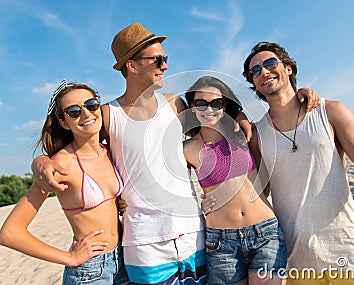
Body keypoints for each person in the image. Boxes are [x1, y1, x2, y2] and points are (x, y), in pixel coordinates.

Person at [30, 23, 318, 284]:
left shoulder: (175, 104)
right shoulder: (108, 113)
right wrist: (41, 161)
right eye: (158, 59)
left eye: (165, 59)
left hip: (196, 234)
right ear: (131, 65)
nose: (165, 66)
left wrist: (242, 115)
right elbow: (82, 145)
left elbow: (213, 116)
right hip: (143, 242)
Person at [240, 42, 354, 284]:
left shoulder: (330, 111)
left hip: (350, 254)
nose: (263, 72)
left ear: (289, 68)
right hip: (297, 264)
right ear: (253, 83)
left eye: (270, 63)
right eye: (255, 70)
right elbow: (257, 194)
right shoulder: (258, 135)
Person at [0, 81, 129, 284]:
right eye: (74, 111)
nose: (86, 114)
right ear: (64, 122)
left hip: (124, 259)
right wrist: (70, 258)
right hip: (90, 271)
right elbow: (9, 233)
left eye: (91, 104)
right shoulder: (61, 165)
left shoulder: (111, 150)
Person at [183, 75, 287, 285]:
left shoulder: (244, 134)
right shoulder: (187, 149)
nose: (209, 109)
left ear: (225, 105)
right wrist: (197, 205)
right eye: (201, 103)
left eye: (216, 103)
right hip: (221, 243)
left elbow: (263, 173)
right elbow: (175, 189)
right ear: (192, 107)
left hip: (265, 233)